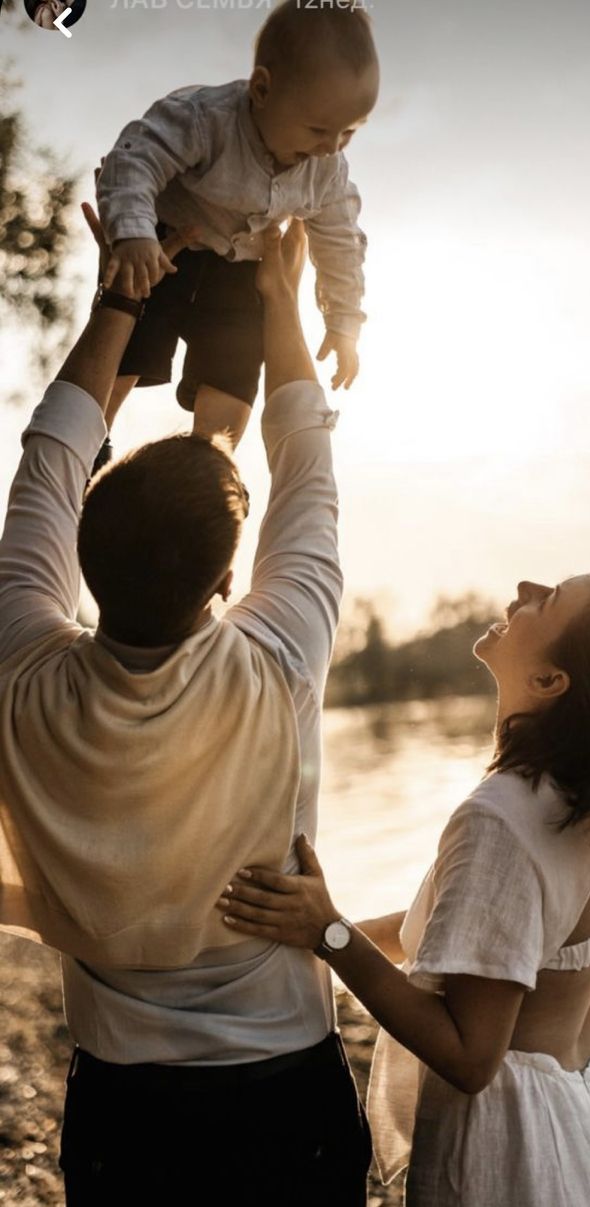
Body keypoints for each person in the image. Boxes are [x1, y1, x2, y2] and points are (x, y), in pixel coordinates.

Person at [0, 217, 371, 1204]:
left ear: (80, 559)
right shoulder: (278, 657)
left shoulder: (21, 669)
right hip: (286, 1091)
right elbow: (304, 453)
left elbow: (47, 458)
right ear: (224, 584)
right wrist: (280, 301)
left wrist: (123, 299)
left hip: (124, 1107)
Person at [219, 569, 590, 1206]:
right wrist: (312, 926)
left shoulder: (503, 818)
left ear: (550, 681)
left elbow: (469, 1056)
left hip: (514, 1150)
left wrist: (327, 936)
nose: (524, 587)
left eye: (547, 601)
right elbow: (461, 935)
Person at [94, 0, 380, 465]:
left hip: (240, 275)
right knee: (127, 345)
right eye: (318, 129)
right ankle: (89, 438)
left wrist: (344, 322)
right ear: (263, 90)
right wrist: (133, 233)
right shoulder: (204, 119)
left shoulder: (325, 170)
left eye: (348, 133)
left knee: (235, 374)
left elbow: (342, 243)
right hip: (166, 250)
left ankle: (208, 464)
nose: (330, 147)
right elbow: (134, 158)